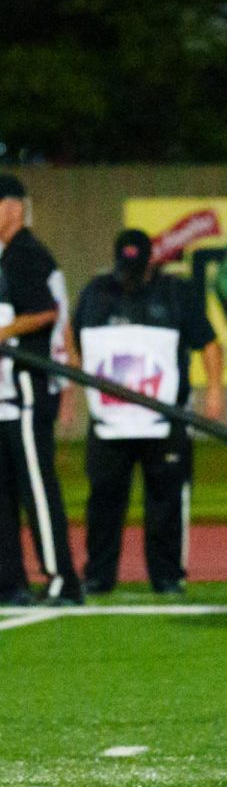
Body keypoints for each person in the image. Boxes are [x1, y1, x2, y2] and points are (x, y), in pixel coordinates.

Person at [72, 229, 223, 595]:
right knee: (104, 499)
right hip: (110, 421)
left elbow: (208, 342)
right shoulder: (95, 292)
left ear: (151, 261)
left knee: (165, 502)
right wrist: (79, 383)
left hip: (164, 419)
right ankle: (98, 575)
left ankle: (167, 576)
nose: (130, 275)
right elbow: (72, 336)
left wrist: (215, 391)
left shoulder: (176, 292)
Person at [0, 174, 84, 606]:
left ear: (14, 207)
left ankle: (61, 579)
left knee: (36, 486)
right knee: (6, 490)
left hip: (29, 388)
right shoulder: (10, 255)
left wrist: (6, 331)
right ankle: (10, 581)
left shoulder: (26, 253)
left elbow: (47, 312)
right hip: (9, 394)